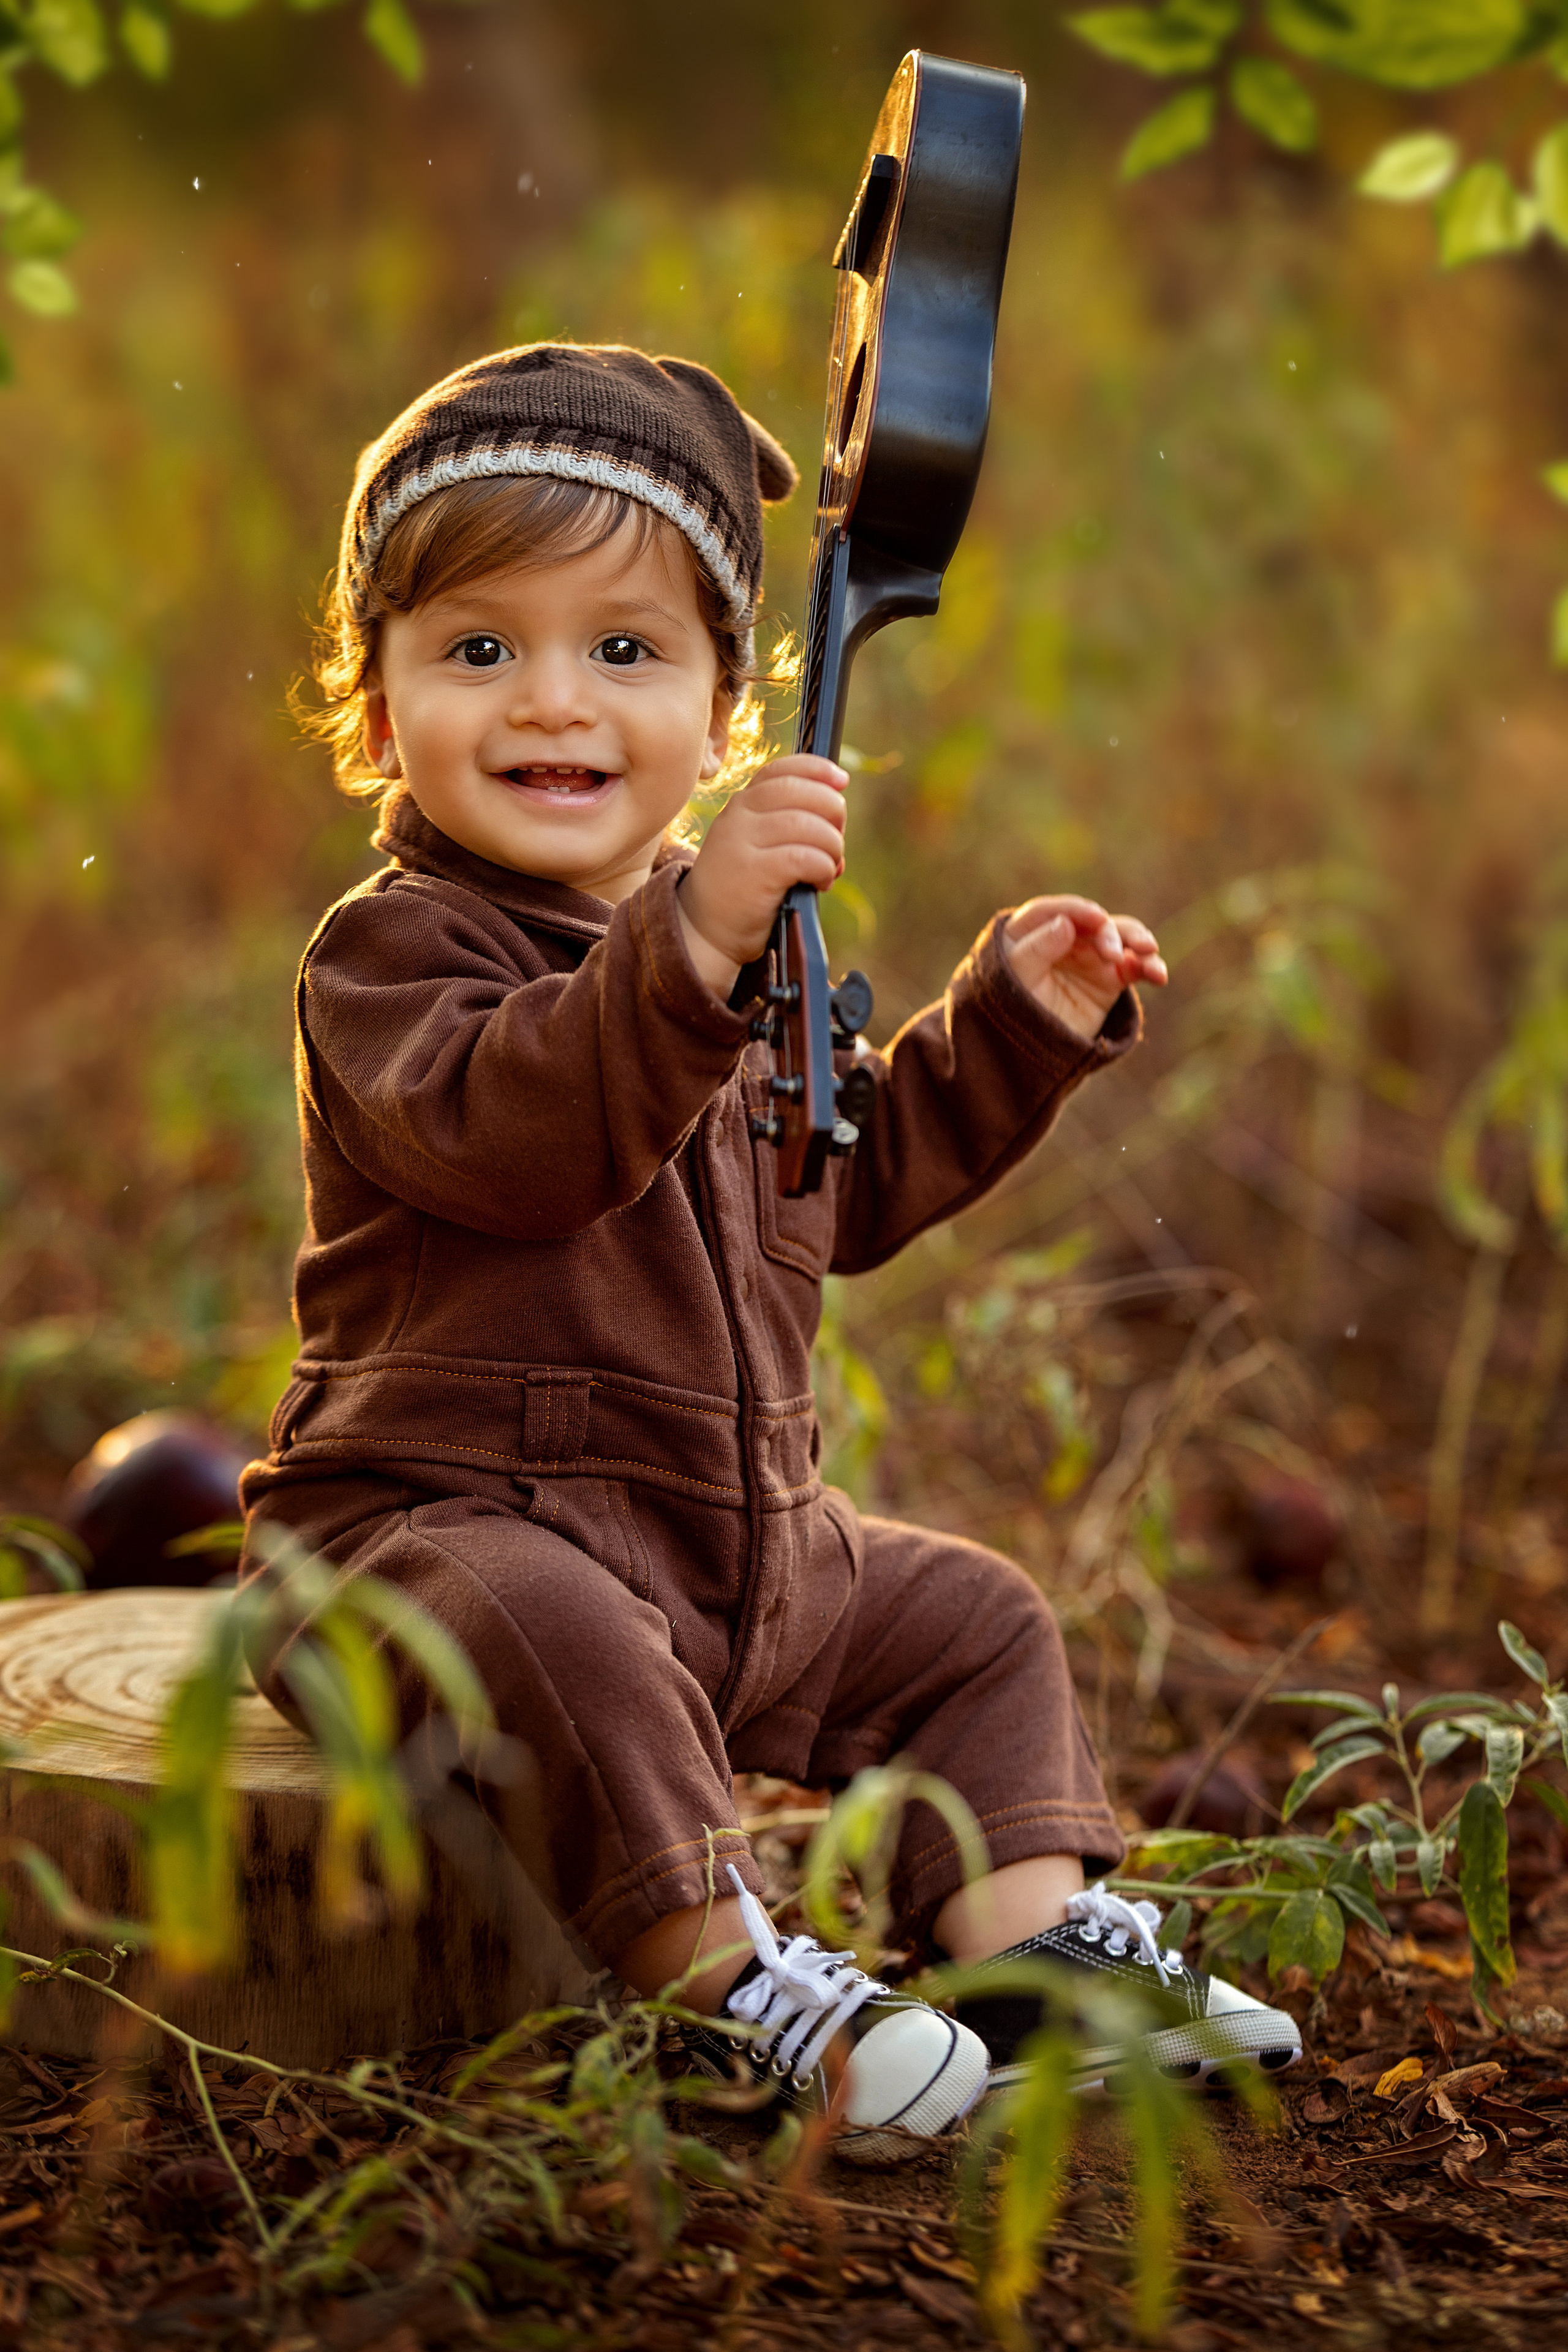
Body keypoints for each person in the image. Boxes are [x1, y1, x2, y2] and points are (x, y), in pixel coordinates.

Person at [240, 342, 1300, 2164]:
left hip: (730, 1549)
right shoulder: (391, 958)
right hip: (438, 1538)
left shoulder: (742, 969)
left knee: (973, 1620)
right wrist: (695, 941)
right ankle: (723, 1988)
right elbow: (528, 1138)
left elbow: (843, 1187)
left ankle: (1028, 1949)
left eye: (626, 651)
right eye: (478, 648)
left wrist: (1013, 1031)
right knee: (555, 1633)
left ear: (734, 705)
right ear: (378, 693)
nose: (551, 704)